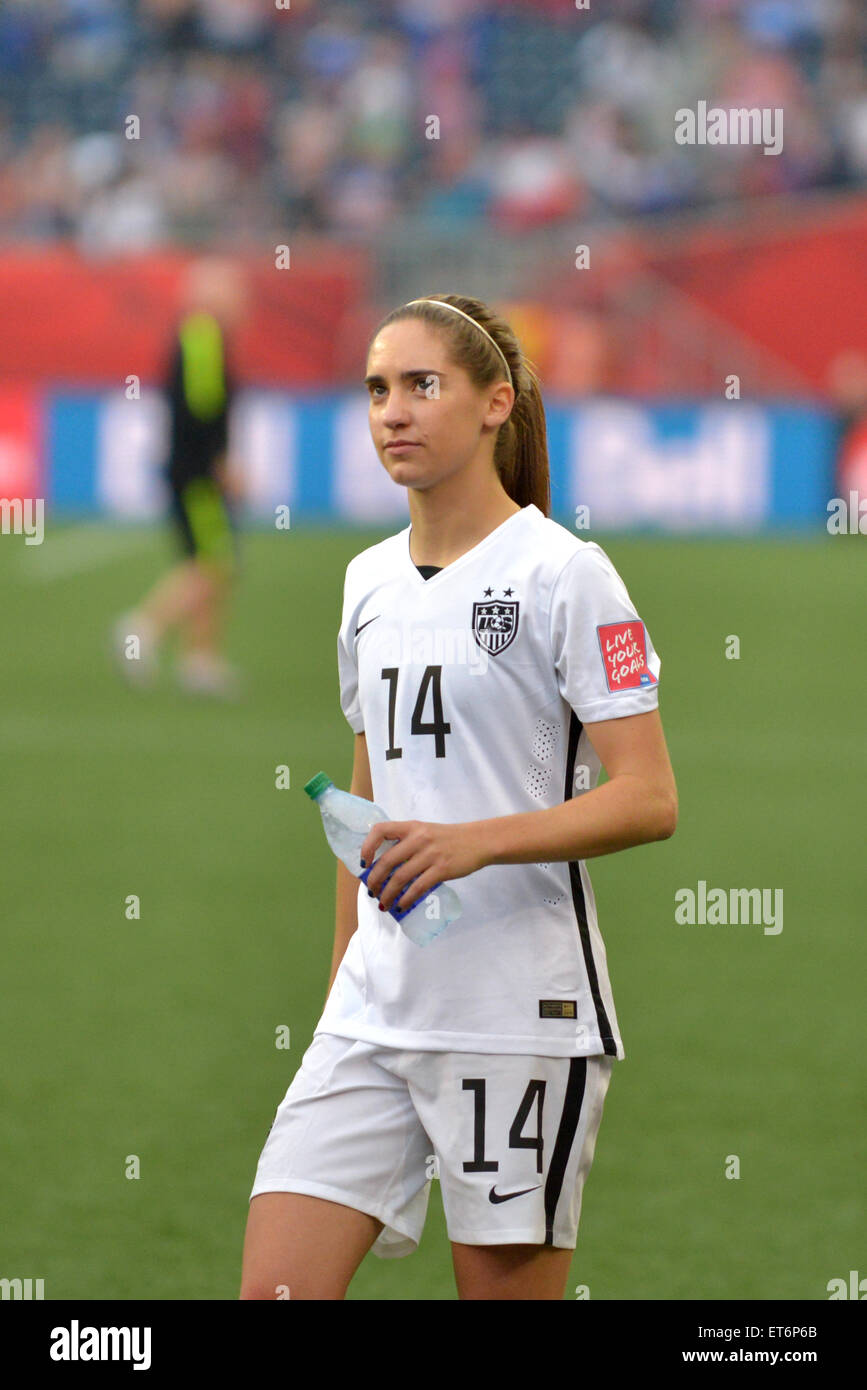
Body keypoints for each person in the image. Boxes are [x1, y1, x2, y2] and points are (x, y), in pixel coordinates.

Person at [241, 292, 678, 1301]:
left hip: (517, 1013)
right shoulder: (365, 583)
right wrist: (340, 988)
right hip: (371, 1012)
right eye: (377, 389)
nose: (392, 410)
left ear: (494, 404)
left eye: (421, 385)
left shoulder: (567, 575)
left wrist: (473, 842)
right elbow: (363, 808)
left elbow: (650, 797)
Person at [113, 256, 246, 697]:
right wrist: (221, 461)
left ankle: (199, 660)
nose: (241, 300)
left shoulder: (200, 335)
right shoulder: (203, 336)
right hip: (197, 472)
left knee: (207, 561)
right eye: (232, 290)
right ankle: (142, 628)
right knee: (214, 562)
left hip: (189, 467)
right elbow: (202, 407)